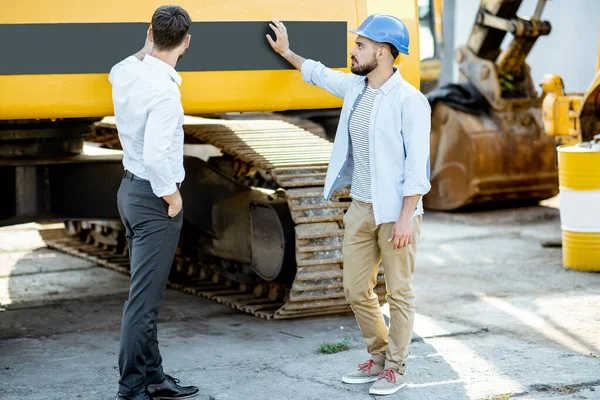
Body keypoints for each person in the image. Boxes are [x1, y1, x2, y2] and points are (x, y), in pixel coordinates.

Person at [267, 15, 431, 396]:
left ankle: (395, 367)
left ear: (383, 51)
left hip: (396, 213)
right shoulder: (357, 88)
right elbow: (319, 73)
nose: (352, 50)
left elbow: (417, 167)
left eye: (360, 45)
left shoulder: (411, 101)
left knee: (399, 292)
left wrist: (407, 216)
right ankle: (377, 355)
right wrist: (286, 51)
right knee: (356, 290)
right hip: (360, 207)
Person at [109, 5, 199, 400]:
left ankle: (154, 377)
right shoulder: (165, 93)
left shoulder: (127, 72)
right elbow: (158, 157)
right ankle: (132, 387)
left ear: (149, 33)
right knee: (143, 305)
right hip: (152, 198)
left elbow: (124, 64)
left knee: (145, 296)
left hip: (129, 192)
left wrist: (147, 44)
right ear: (186, 42)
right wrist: (173, 198)